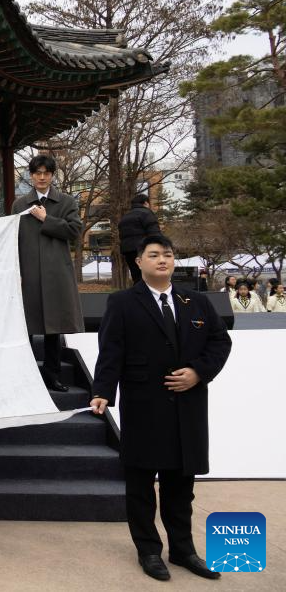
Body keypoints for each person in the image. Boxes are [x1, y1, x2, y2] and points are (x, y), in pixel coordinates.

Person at [91, 234, 230, 581]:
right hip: (144, 405)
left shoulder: (196, 301)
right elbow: (111, 350)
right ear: (139, 262)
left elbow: (219, 341)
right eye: (153, 255)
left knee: (181, 485)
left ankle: (183, 550)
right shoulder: (122, 303)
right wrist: (102, 391)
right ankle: (149, 551)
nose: (162, 260)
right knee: (140, 484)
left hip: (188, 407)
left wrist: (198, 372)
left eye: (167, 254)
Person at [11, 154, 84, 392]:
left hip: (56, 273)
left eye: (46, 173)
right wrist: (16, 271)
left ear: (52, 175)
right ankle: (26, 376)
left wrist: (46, 219)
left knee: (54, 326)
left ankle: (53, 376)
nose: (42, 177)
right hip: (29, 272)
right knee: (27, 327)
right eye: (37, 173)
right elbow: (13, 239)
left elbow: (74, 231)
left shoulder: (66, 202)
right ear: (31, 176)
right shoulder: (20, 204)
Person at [117, 193, 161, 285]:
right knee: (150, 277)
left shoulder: (125, 217)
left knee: (137, 278)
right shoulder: (146, 213)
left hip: (128, 251)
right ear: (145, 203)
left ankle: (138, 293)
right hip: (144, 250)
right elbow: (154, 233)